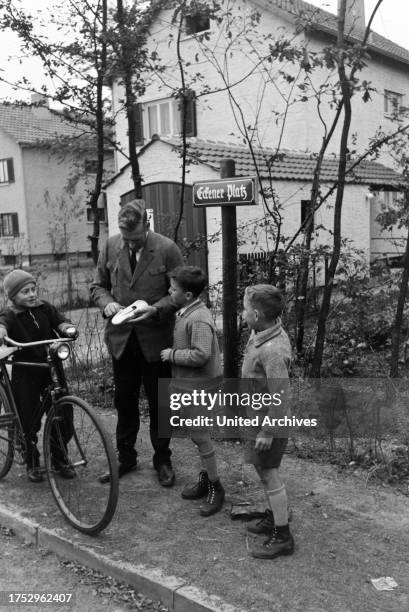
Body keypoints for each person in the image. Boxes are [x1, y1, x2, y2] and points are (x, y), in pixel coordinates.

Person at [90, 198, 184, 487]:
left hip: (155, 340)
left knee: (160, 402)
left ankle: (162, 459)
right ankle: (126, 457)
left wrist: (156, 309)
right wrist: (106, 304)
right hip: (122, 341)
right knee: (125, 401)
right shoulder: (110, 246)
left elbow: (181, 293)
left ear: (147, 226)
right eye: (125, 238)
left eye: (135, 238)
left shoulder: (167, 249)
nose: (129, 244)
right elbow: (98, 286)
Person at [0, 269, 78, 483]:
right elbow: (2, 326)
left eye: (33, 289)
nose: (32, 294)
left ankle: (59, 457)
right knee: (28, 419)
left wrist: (68, 329)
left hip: (51, 368)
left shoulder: (45, 308)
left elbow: (60, 322)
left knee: (64, 413)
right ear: (13, 296)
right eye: (25, 291)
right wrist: (1, 332)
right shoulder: (10, 314)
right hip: (26, 372)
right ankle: (32, 460)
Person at [160, 266, 224, 516]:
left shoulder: (198, 318)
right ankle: (207, 478)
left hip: (200, 387)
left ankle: (216, 487)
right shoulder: (187, 312)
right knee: (197, 435)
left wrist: (172, 354)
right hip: (189, 385)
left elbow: (201, 354)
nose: (169, 291)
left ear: (187, 295)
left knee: (201, 436)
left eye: (173, 289)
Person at [241, 284, 294, 559]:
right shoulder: (262, 332)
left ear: (258, 314)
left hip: (268, 425)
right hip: (256, 419)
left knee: (269, 473)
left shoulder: (272, 350)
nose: (243, 313)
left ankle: (283, 535)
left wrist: (268, 431)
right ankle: (274, 515)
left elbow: (280, 394)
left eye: (245, 309)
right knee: (264, 471)